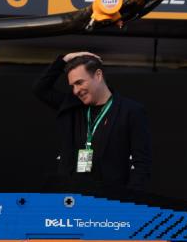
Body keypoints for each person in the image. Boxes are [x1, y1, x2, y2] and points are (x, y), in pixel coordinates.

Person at [30, 51, 152, 191]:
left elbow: (142, 165)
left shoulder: (130, 111)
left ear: (98, 75)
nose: (76, 90)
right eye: (72, 86)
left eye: (79, 83)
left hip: (110, 201)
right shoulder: (73, 106)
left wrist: (128, 203)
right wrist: (64, 59)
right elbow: (40, 89)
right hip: (74, 199)